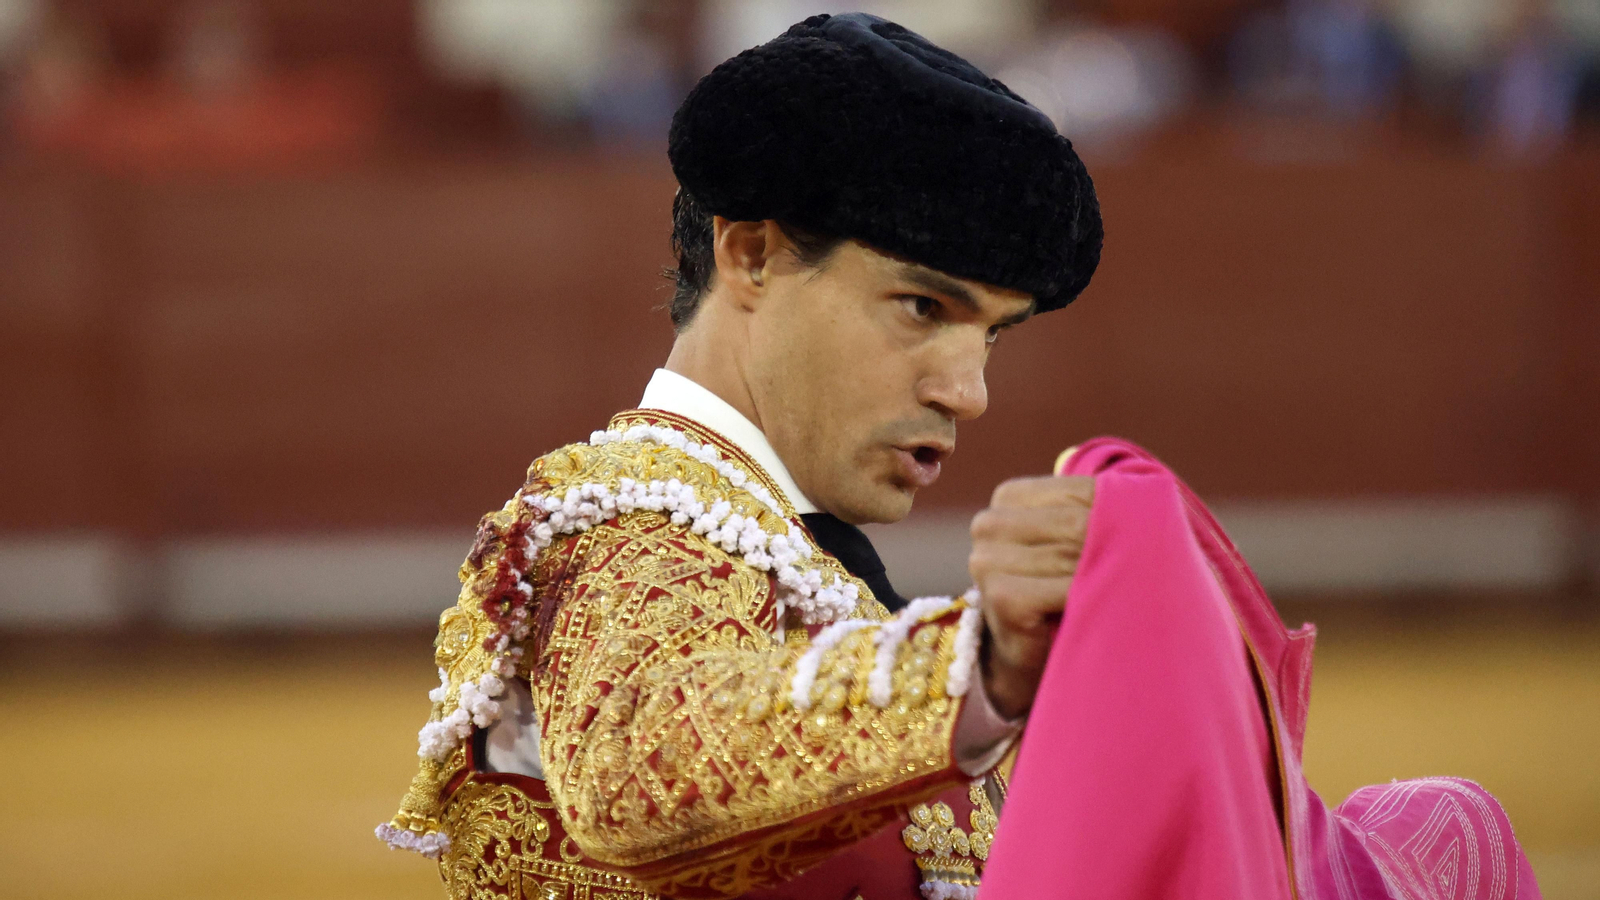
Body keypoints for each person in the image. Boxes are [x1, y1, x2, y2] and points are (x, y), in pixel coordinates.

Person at [376, 12, 1106, 899]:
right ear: (751, 254)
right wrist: (986, 664)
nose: (967, 391)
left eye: (991, 336)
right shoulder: (629, 541)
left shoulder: (812, 572)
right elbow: (640, 770)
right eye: (922, 307)